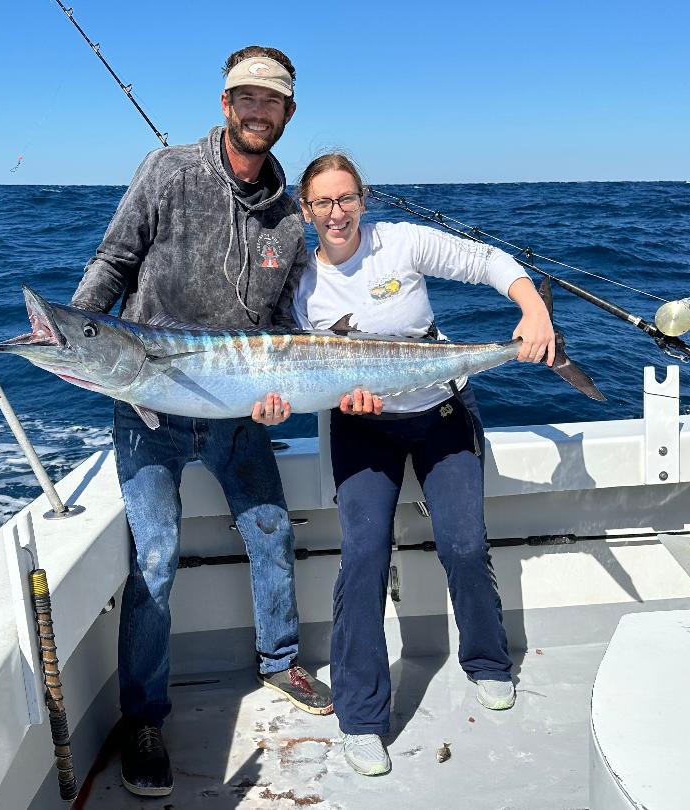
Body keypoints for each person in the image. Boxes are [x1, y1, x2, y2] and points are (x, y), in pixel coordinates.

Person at [70, 47, 332, 798]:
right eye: (245, 97)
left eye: (272, 101)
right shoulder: (167, 171)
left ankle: (279, 661)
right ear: (225, 104)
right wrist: (83, 338)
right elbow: (115, 262)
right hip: (148, 405)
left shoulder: (289, 217)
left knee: (273, 529)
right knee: (154, 560)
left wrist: (279, 391)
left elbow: (284, 323)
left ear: (286, 114)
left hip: (239, 411)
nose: (257, 111)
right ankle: (146, 716)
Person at [290, 153, 555, 777]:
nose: (337, 213)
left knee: (463, 546)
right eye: (323, 203)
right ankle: (360, 717)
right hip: (362, 430)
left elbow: (489, 261)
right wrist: (339, 398)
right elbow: (309, 371)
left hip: (441, 416)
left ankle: (488, 663)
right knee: (361, 559)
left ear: (364, 199)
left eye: (346, 198)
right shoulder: (302, 284)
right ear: (305, 211)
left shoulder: (401, 243)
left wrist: (533, 310)